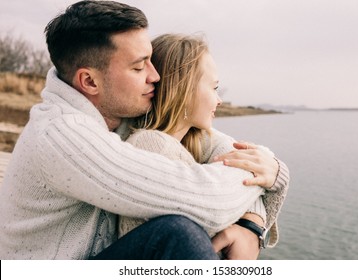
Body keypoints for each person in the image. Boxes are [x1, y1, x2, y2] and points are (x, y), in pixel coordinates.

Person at [0, 0, 289, 260]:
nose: (156, 76)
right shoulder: (62, 137)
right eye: (139, 68)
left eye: (150, 60)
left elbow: (225, 148)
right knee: (176, 234)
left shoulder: (119, 112)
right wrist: (261, 177)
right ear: (89, 82)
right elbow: (204, 200)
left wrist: (255, 215)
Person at [117, 34, 288, 258]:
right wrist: (270, 178)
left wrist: (271, 173)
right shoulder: (150, 145)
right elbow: (215, 213)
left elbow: (243, 154)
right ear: (183, 90)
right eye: (214, 88)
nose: (220, 100)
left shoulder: (193, 141)